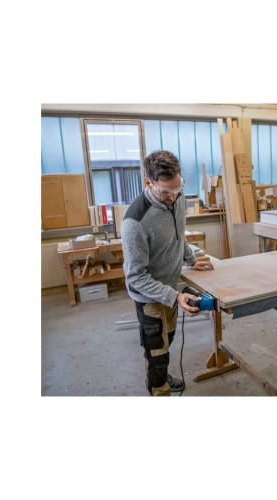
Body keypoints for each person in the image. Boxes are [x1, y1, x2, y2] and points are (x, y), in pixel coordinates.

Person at [121, 150, 214, 396]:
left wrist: (191, 259)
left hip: (170, 288)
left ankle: (161, 374)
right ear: (148, 183)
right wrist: (174, 296)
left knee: (168, 337)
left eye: (177, 189)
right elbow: (135, 277)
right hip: (149, 297)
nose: (173, 197)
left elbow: (178, 233)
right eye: (165, 192)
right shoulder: (135, 223)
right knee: (157, 350)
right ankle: (158, 388)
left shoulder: (177, 196)